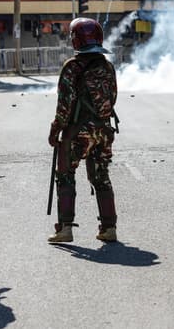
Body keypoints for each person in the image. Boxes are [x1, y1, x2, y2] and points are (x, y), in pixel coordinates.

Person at [47, 17, 119, 244]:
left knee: (65, 175)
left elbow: (64, 106)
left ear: (75, 40)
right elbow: (113, 98)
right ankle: (109, 228)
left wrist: (54, 130)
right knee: (101, 178)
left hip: (77, 133)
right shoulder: (107, 66)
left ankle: (65, 228)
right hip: (103, 131)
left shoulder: (72, 67)